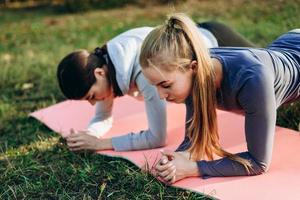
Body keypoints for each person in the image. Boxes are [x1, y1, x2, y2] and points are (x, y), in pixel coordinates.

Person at [139, 13, 300, 183]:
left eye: (165, 85)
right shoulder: (194, 73)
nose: (160, 95)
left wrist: (193, 169)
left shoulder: (252, 79)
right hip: (286, 45)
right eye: (154, 85)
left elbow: (257, 163)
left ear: (193, 68)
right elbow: (193, 140)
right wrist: (174, 161)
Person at [56, 22, 255, 152]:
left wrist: (101, 144)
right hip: (199, 33)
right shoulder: (105, 65)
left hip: (218, 41)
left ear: (99, 73)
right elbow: (102, 116)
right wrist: (89, 136)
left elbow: (157, 137)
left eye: (91, 96)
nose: (93, 103)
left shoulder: (146, 73)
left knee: (271, 74)